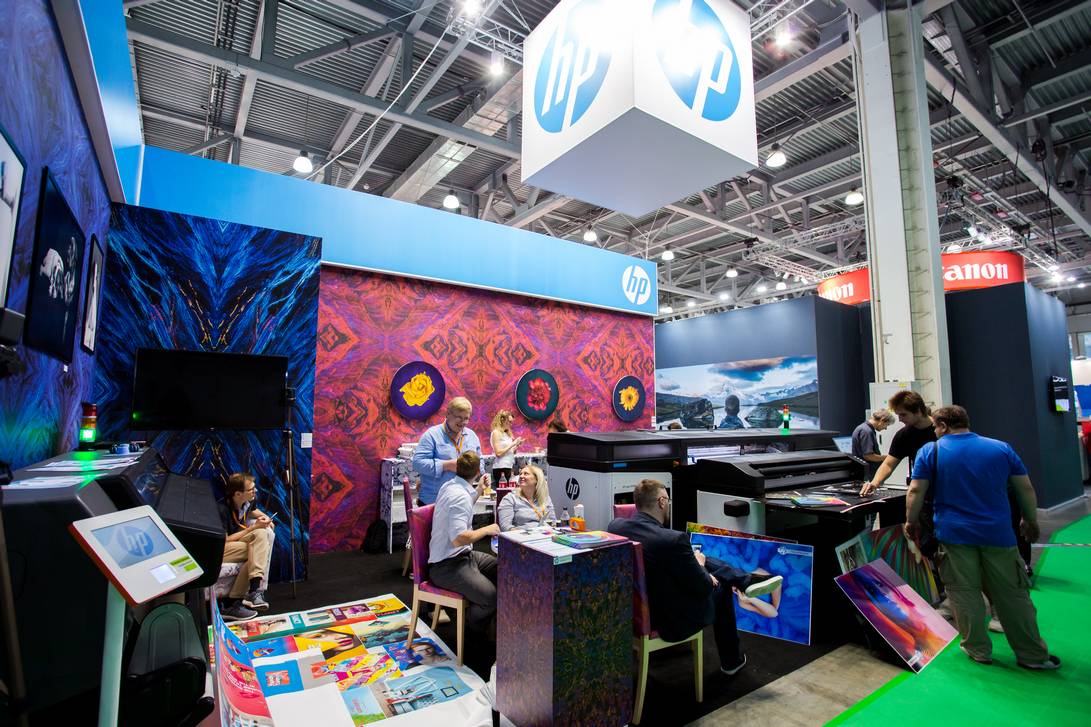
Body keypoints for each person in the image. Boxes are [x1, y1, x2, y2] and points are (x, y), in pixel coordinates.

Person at [905, 405, 1059, 670]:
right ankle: (1033, 655)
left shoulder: (931, 451)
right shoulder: (1001, 448)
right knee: (1013, 595)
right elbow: (1025, 487)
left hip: (953, 535)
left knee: (964, 594)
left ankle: (977, 650)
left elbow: (916, 490)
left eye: (936, 427)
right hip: (998, 535)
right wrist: (1029, 519)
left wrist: (911, 520)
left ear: (942, 425)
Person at [607, 479, 783, 675]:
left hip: (635, 613)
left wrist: (698, 563)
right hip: (669, 621)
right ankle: (731, 661)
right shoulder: (672, 540)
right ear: (662, 502)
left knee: (702, 559)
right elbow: (703, 587)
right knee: (720, 585)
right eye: (668, 500)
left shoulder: (616, 527)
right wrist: (700, 567)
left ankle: (745, 580)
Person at [428, 451, 499, 633]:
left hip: (461, 556)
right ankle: (469, 629)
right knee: (491, 598)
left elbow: (462, 506)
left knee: (503, 571)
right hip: (447, 565)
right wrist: (487, 529)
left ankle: (494, 625)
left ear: (456, 468)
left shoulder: (450, 486)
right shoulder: (459, 496)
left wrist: (479, 490)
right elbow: (459, 539)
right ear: (478, 471)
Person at [218, 472, 275, 621]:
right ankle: (248, 595)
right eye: (251, 490)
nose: (255, 491)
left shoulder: (247, 502)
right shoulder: (222, 509)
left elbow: (253, 511)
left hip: (237, 543)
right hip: (220, 549)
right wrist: (253, 527)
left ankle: (237, 601)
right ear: (238, 494)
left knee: (261, 535)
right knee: (257, 549)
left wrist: (265, 518)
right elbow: (224, 541)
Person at [860, 391, 935, 498]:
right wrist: (874, 483)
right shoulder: (904, 435)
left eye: (903, 414)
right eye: (898, 415)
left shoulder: (942, 429)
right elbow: (888, 464)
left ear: (918, 411)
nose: (900, 419)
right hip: (923, 492)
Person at [412, 397, 483, 505]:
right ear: (448, 414)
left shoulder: (472, 436)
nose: (463, 422)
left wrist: (480, 472)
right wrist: (447, 465)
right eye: (459, 417)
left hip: (462, 500)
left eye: (466, 418)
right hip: (434, 502)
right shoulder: (431, 435)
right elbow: (418, 463)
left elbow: (480, 460)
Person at [496, 465, 555, 531]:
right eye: (520, 474)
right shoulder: (510, 498)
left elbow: (553, 522)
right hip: (521, 535)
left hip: (545, 534)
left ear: (537, 479)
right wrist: (523, 534)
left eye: (526, 474)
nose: (521, 476)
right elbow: (505, 527)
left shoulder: (545, 498)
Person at [852, 408, 895, 479]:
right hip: (867, 474)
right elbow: (869, 456)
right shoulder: (866, 431)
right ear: (882, 420)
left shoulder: (864, 429)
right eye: (887, 425)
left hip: (865, 472)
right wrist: (888, 457)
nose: (885, 428)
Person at [489, 410, 523, 485]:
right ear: (502, 420)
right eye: (509, 422)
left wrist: (517, 445)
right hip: (500, 467)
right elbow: (498, 453)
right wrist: (513, 444)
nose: (511, 424)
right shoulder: (496, 433)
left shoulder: (507, 434)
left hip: (508, 466)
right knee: (503, 490)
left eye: (511, 422)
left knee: (509, 489)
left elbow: (510, 451)